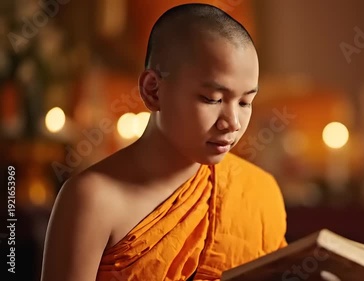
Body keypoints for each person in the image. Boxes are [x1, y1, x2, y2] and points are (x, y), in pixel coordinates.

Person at [40, 3, 288, 281]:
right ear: (153, 90)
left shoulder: (257, 192)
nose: (233, 122)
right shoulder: (92, 199)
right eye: (212, 99)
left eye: (245, 102)